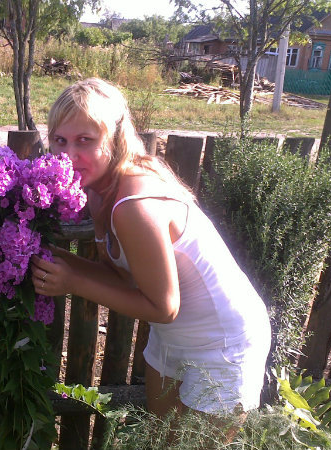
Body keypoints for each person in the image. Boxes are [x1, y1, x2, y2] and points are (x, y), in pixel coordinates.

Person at [31, 78, 271, 420]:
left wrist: (73, 281)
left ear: (114, 138)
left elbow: (164, 307)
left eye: (85, 140)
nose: (69, 155)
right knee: (161, 439)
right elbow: (123, 278)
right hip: (173, 337)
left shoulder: (133, 205)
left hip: (223, 344)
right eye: (60, 140)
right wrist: (57, 260)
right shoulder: (99, 191)